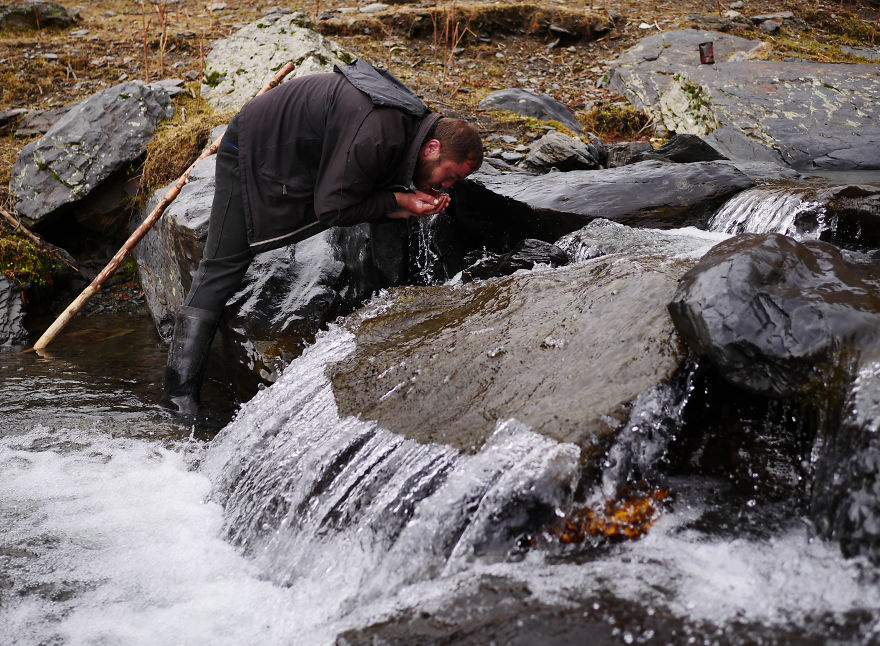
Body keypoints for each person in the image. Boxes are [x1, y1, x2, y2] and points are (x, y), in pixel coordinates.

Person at [161, 59, 484, 416]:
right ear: (432, 148)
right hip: (252, 147)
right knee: (222, 265)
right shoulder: (378, 134)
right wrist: (398, 201)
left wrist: (401, 202)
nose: (447, 186)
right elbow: (332, 208)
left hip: (298, 150)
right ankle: (178, 400)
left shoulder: (409, 124)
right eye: (450, 176)